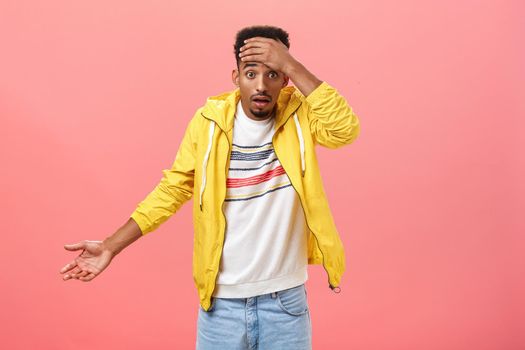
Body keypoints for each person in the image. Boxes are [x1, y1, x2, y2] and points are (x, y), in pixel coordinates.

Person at [60, 25, 360, 350]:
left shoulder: (301, 116)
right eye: (250, 73)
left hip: (285, 304)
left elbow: (344, 130)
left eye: (273, 74)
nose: (261, 85)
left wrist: (291, 64)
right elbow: (172, 188)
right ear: (236, 77)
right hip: (222, 307)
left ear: (286, 79)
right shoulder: (208, 122)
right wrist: (111, 246)